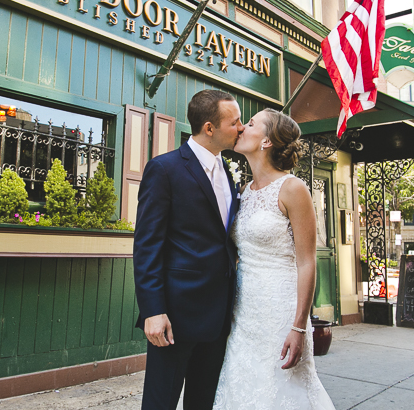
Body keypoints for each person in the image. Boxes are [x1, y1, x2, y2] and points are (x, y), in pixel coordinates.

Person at [212, 109, 334, 410]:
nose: (242, 128)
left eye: (250, 124)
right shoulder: (244, 191)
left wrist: (299, 327)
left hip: (280, 311)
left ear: (266, 141)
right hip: (244, 313)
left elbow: (307, 262)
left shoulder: (293, 189)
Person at [133, 89, 244, 410]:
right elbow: (147, 245)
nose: (241, 127)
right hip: (175, 316)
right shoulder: (164, 169)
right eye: (234, 122)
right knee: (160, 402)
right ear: (209, 128)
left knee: (203, 401)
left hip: (219, 315)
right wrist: (153, 310)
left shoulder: (228, 171)